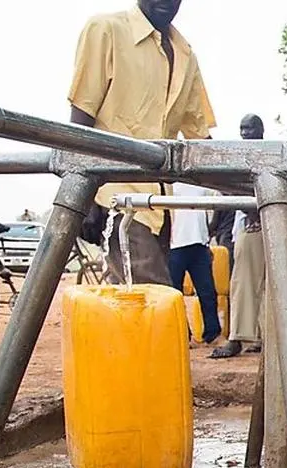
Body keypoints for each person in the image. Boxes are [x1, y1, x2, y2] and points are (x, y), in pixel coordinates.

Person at [68, 0, 215, 286]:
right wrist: (81, 196)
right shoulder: (107, 30)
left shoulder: (185, 54)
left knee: (137, 299)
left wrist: (251, 181)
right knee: (154, 297)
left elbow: (200, 137)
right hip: (115, 198)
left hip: (161, 207)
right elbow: (80, 120)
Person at [211, 115, 267, 359]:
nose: (245, 133)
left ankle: (238, 337)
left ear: (260, 131)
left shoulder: (260, 156)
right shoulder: (246, 156)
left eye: (249, 128)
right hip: (251, 224)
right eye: (242, 129)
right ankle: (256, 336)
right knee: (257, 284)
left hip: (256, 225)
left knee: (245, 283)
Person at [168, 182, 221, 347]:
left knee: (208, 292)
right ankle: (183, 335)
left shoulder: (200, 182)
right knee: (175, 294)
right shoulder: (170, 184)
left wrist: (208, 236)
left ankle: (212, 334)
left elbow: (216, 202)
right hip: (174, 245)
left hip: (200, 244)